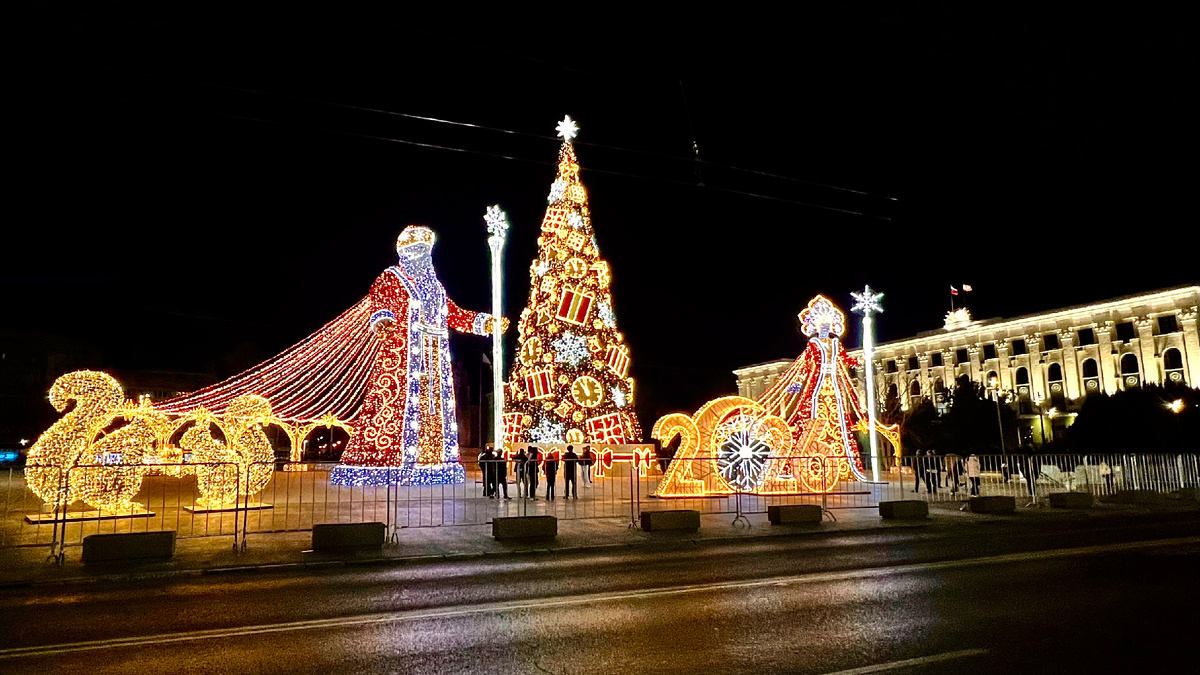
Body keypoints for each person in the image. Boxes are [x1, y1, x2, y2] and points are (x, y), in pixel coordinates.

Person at [331, 225, 501, 487]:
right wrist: (383, 320)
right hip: (404, 358)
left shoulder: (436, 289)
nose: (421, 255)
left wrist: (485, 323)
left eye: (425, 251)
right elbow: (380, 302)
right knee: (396, 410)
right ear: (404, 253)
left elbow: (455, 315)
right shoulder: (391, 278)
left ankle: (436, 462)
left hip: (437, 357)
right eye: (416, 250)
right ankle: (388, 463)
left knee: (439, 410)